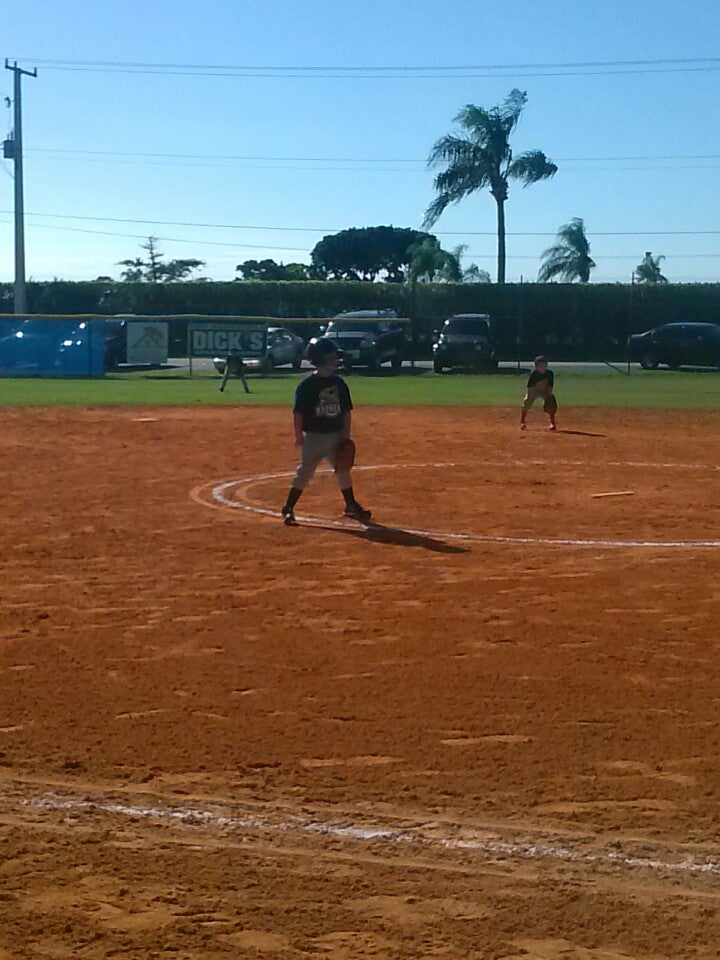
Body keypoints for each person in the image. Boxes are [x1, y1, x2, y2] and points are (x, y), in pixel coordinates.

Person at [281, 337, 371, 526]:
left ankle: (350, 505)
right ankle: (288, 508)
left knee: (342, 470)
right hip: (313, 437)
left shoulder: (339, 384)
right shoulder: (307, 386)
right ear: (319, 360)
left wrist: (346, 433)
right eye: (331, 358)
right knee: (305, 472)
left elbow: (346, 411)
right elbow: (298, 413)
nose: (335, 361)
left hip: (335, 435)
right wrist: (298, 435)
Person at [520, 356, 557, 431]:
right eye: (540, 365)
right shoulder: (533, 374)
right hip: (534, 389)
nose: (542, 367)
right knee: (527, 402)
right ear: (536, 366)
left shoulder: (549, 374)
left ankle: (552, 423)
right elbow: (530, 388)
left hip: (545, 390)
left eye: (544, 365)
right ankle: (522, 421)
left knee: (551, 403)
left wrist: (548, 396)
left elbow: (550, 387)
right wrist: (530, 397)